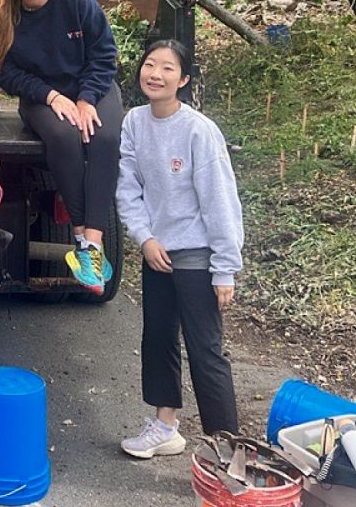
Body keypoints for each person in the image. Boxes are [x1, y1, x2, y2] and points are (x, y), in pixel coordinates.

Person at [116, 39, 242, 458]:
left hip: (198, 259)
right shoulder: (134, 121)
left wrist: (225, 268)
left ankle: (226, 449)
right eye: (150, 64)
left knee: (205, 352)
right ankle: (165, 425)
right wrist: (144, 238)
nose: (156, 74)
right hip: (158, 255)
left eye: (168, 68)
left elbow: (220, 200)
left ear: (183, 79)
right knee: (157, 340)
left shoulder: (199, 130)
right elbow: (128, 188)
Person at [0, 0, 121, 292]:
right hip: (41, 96)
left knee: (103, 137)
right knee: (63, 136)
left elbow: (104, 56)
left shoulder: (78, 4)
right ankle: (80, 234)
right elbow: (4, 72)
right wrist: (51, 95)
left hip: (94, 86)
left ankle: (93, 240)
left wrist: (87, 99)